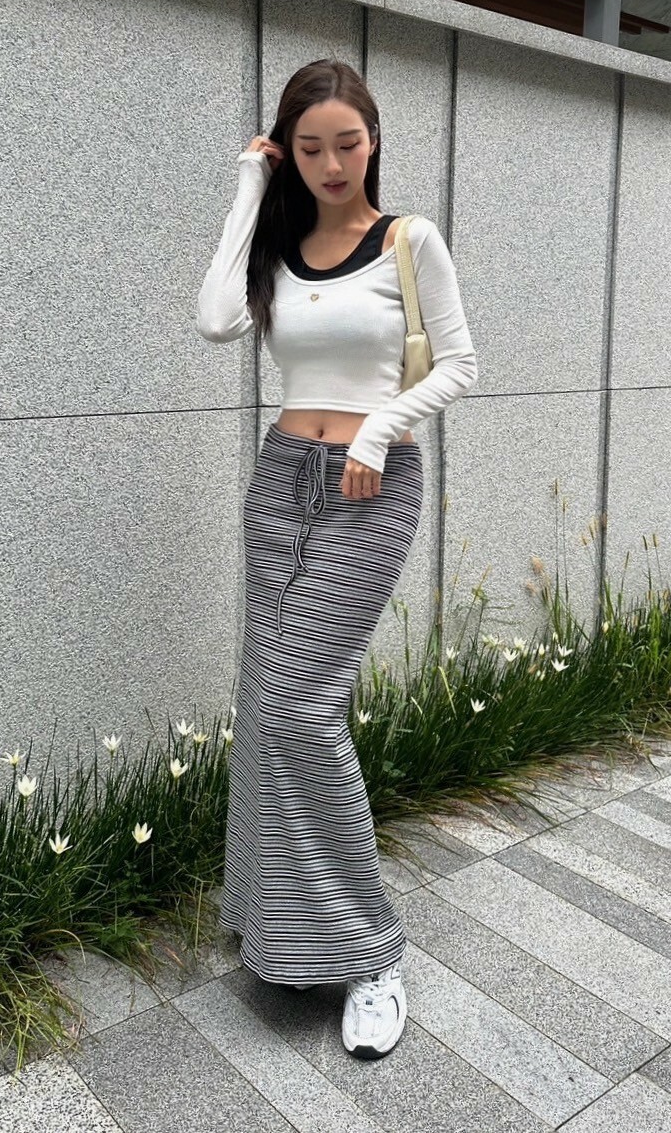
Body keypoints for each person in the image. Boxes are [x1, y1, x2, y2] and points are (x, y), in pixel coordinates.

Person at [195, 57, 478, 1060]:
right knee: (264, 703)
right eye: (308, 147)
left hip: (370, 488)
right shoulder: (279, 248)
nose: (330, 163)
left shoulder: (409, 240)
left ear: (373, 141)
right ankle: (272, 922)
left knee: (302, 712)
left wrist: (379, 429)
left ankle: (371, 954)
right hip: (281, 481)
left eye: (346, 144)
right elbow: (214, 318)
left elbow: (461, 362)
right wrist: (247, 188)